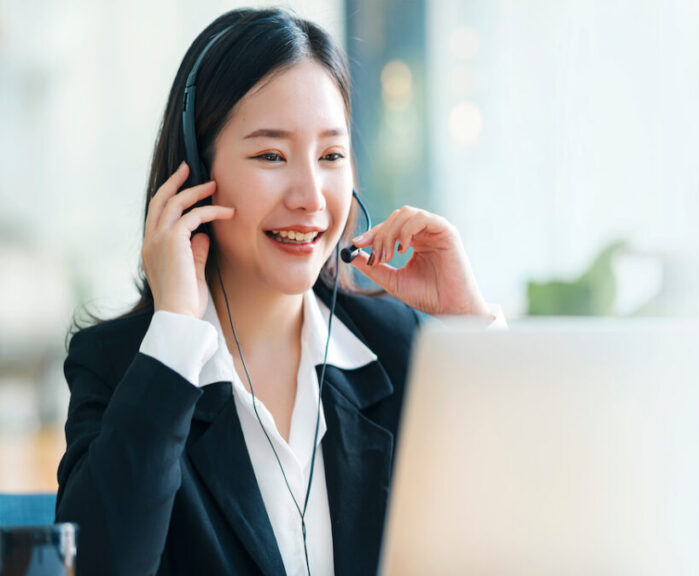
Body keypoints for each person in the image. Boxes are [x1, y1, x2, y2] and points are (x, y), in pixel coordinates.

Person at [55, 8, 502, 576]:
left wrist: (471, 327)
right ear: (195, 175)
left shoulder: (400, 348)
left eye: (331, 156)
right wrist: (174, 336)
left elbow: (524, 533)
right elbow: (103, 564)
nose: (311, 197)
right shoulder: (124, 368)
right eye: (271, 155)